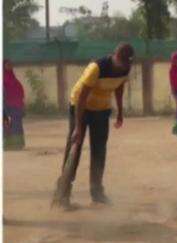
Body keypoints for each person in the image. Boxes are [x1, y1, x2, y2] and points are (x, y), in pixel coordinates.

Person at [51, 43, 134, 210]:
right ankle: (63, 195)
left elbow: (119, 87)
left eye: (126, 64)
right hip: (80, 107)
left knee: (99, 150)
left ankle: (97, 193)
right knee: (75, 148)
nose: (123, 66)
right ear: (115, 56)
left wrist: (120, 111)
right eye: (121, 62)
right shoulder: (96, 68)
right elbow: (81, 98)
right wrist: (78, 128)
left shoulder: (126, 68)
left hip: (101, 110)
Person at [3, 60, 25, 150]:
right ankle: (7, 144)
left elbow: (18, 90)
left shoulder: (12, 77)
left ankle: (17, 144)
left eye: (11, 65)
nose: (10, 66)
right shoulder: (3, 78)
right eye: (7, 65)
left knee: (17, 124)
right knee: (6, 124)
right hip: (6, 104)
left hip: (16, 105)